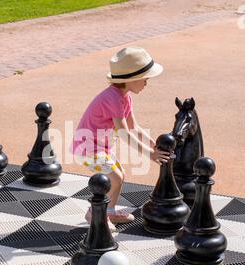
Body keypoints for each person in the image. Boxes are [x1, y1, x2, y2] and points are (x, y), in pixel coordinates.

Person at [71, 47, 171, 231]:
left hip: (99, 148)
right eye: (145, 78)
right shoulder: (112, 98)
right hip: (87, 149)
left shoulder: (125, 97)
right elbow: (124, 133)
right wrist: (150, 154)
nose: (147, 83)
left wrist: (154, 145)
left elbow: (134, 127)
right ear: (131, 79)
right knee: (115, 177)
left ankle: (109, 211)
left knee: (119, 176)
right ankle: (94, 213)